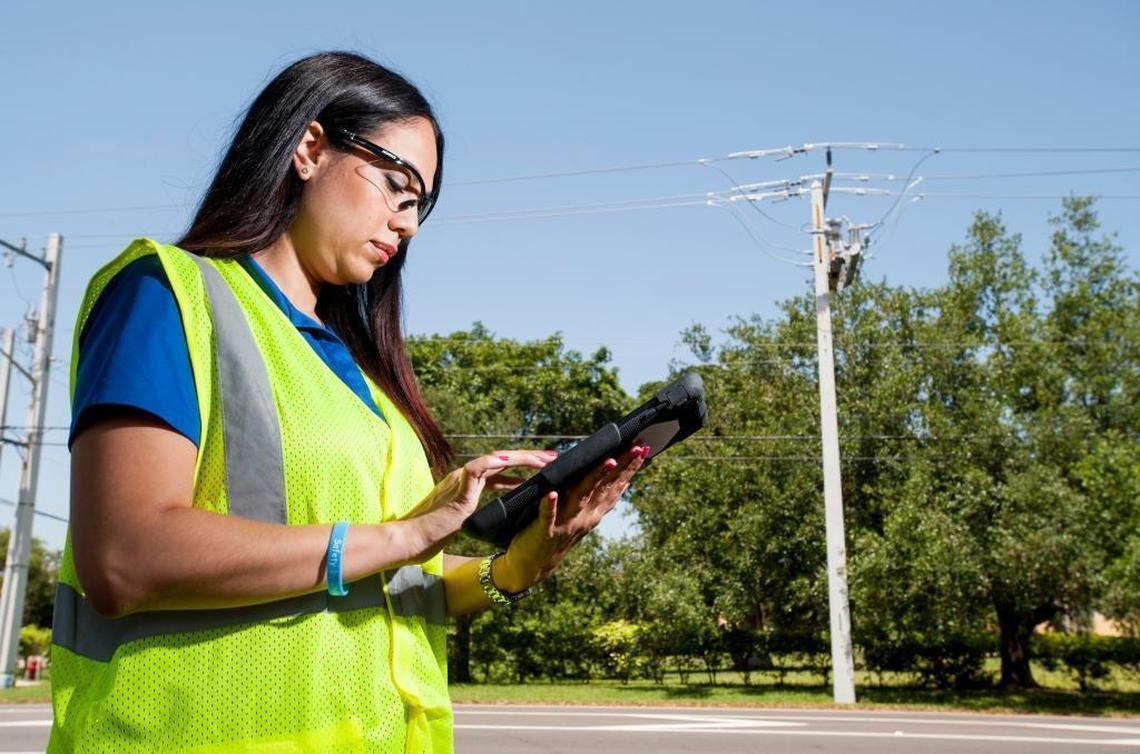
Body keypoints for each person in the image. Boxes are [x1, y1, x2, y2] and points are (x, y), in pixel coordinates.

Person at [49, 51, 646, 753]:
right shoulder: (170, 294)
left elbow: (382, 589)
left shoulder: (364, 384)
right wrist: (408, 534)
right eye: (397, 186)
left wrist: (518, 565)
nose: (408, 223)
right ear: (309, 148)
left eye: (420, 205)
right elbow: (124, 557)